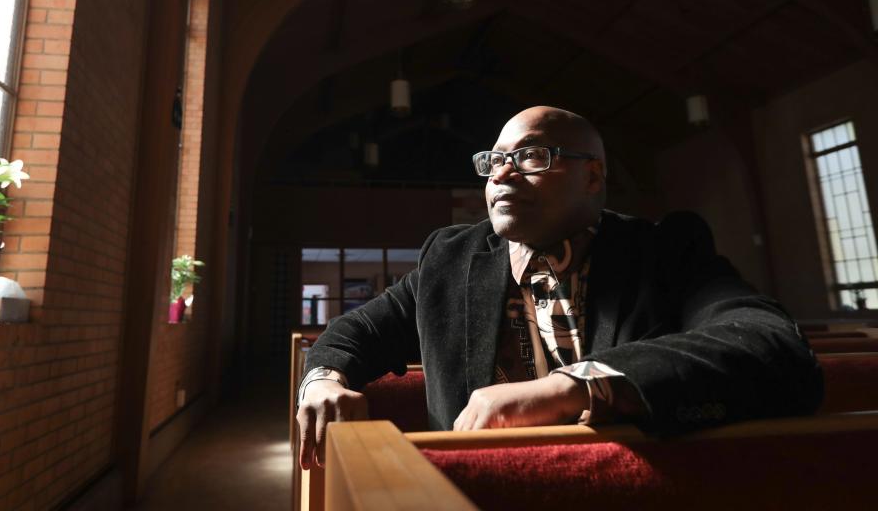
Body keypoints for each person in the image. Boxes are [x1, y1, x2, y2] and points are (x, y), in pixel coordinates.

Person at [295, 106, 823, 469]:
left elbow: (770, 343)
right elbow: (356, 330)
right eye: (494, 160)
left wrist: (577, 384)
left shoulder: (666, 251)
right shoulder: (451, 259)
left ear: (593, 178)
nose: (502, 175)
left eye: (530, 157)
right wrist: (322, 379)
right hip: (468, 491)